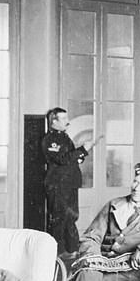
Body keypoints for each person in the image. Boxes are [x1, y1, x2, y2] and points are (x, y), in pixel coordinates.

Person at [42, 107, 99, 257]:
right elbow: (61, 159)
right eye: (64, 119)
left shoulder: (64, 137)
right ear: (54, 121)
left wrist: (81, 154)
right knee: (60, 218)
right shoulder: (50, 140)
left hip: (69, 184)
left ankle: (72, 250)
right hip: (58, 185)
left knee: (71, 217)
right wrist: (83, 150)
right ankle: (57, 253)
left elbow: (69, 159)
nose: (68, 122)